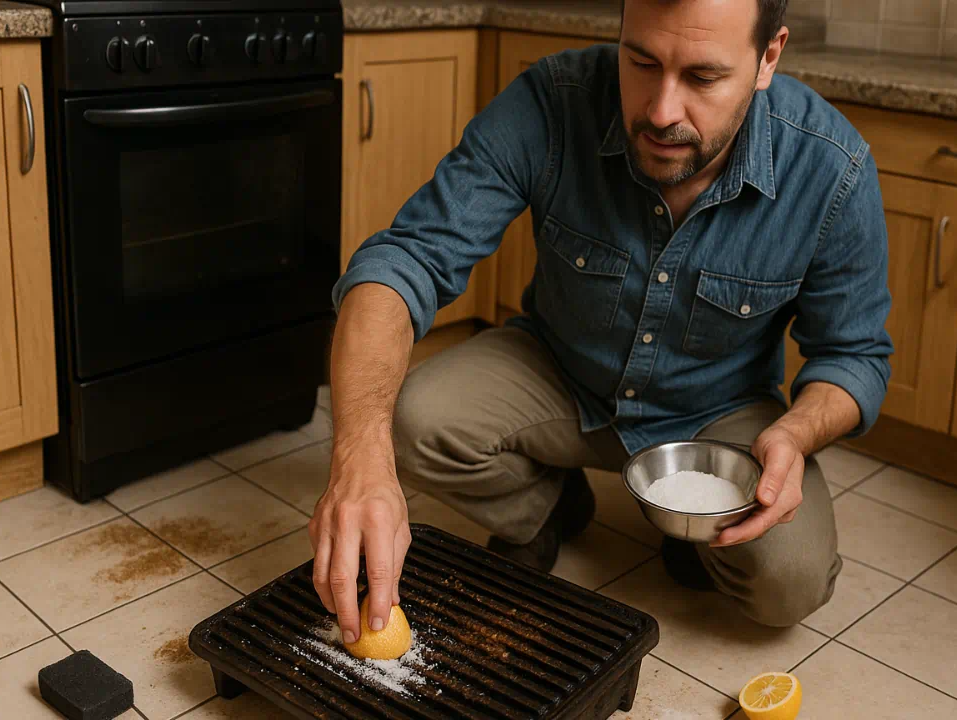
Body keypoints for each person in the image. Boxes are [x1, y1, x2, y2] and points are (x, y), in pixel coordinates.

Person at [308, 0, 892, 645]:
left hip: (719, 413)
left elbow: (855, 357)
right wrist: (359, 458)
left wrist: (795, 434)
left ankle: (694, 540)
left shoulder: (831, 166)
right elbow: (407, 259)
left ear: (767, 58)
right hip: (560, 373)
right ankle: (549, 507)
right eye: (641, 62)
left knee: (790, 582)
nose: (661, 111)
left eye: (702, 77)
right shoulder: (552, 102)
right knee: (410, 419)